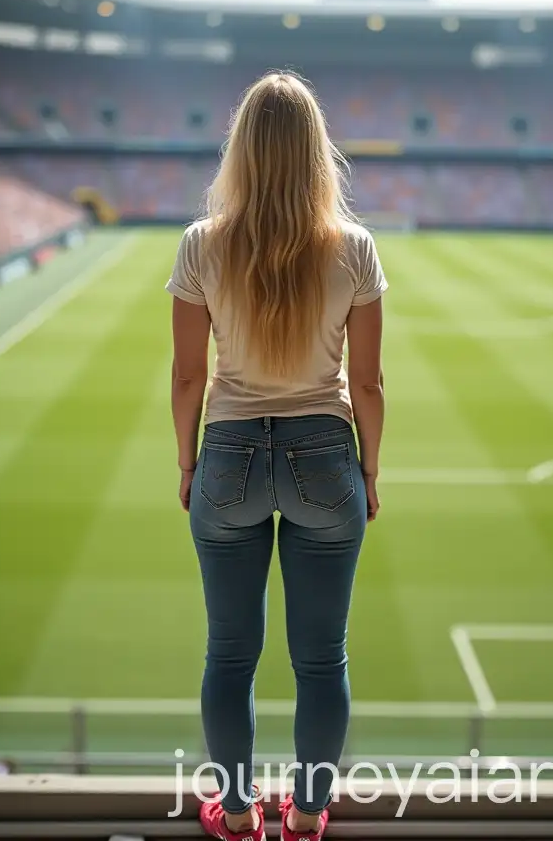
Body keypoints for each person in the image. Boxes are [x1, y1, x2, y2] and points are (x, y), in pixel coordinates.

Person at [167, 73, 387, 841]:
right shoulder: (354, 248)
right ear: (316, 153)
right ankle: (306, 815)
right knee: (322, 660)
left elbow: (189, 373)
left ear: (243, 152)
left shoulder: (202, 244)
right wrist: (369, 471)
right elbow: (368, 381)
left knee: (229, 656)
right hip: (325, 451)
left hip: (227, 451)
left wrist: (190, 466)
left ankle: (233, 813)